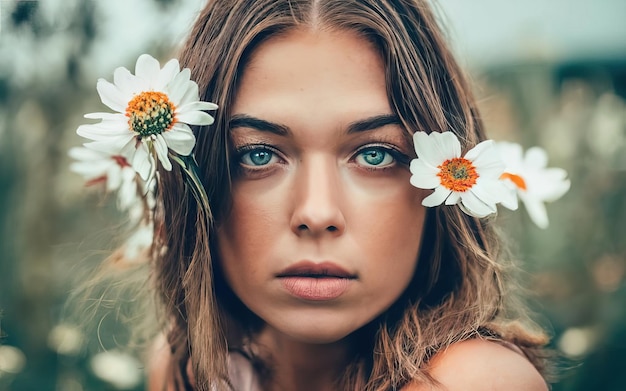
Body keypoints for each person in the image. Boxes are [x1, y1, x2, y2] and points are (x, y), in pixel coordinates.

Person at [124, 0, 551, 389]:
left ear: (446, 180)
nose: (317, 213)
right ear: (192, 174)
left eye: (375, 154)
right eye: (257, 154)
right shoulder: (185, 370)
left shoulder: (473, 382)